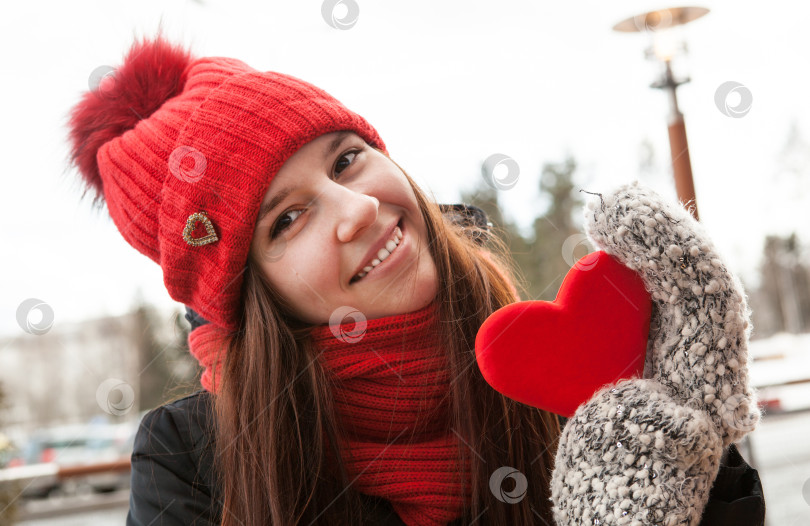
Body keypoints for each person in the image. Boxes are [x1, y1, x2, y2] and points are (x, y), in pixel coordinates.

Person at [66, 35, 764, 526]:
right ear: (250, 295)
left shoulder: (549, 365)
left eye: (346, 160)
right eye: (286, 220)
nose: (358, 209)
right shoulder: (194, 460)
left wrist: (690, 449)